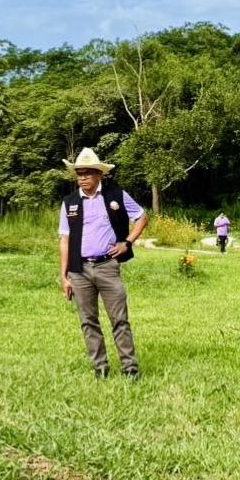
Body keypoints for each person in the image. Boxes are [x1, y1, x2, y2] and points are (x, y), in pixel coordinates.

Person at [58, 148, 149, 379]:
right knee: (88, 321)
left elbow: (141, 217)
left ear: (100, 175)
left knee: (119, 319)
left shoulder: (115, 195)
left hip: (107, 266)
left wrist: (126, 243)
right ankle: (100, 368)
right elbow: (64, 240)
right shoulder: (69, 203)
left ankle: (130, 369)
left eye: (88, 172)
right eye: (79, 173)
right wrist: (64, 275)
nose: (82, 177)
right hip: (79, 271)